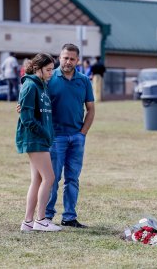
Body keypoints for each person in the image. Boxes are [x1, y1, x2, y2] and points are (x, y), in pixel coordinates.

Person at [45, 44, 95, 228]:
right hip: (56, 137)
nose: (68, 61)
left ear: (77, 60)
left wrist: (82, 134)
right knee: (52, 178)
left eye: (72, 58)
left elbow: (90, 109)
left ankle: (69, 217)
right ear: (60, 57)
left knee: (72, 179)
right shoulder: (49, 79)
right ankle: (46, 216)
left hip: (76, 137)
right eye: (65, 57)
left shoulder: (83, 81)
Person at [17, 53, 62, 232]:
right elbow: (27, 118)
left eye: (52, 69)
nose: (51, 73)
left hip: (41, 138)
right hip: (34, 139)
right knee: (49, 177)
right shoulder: (30, 86)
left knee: (37, 179)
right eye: (48, 69)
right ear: (37, 68)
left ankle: (28, 222)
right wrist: (45, 133)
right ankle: (41, 220)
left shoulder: (42, 85)